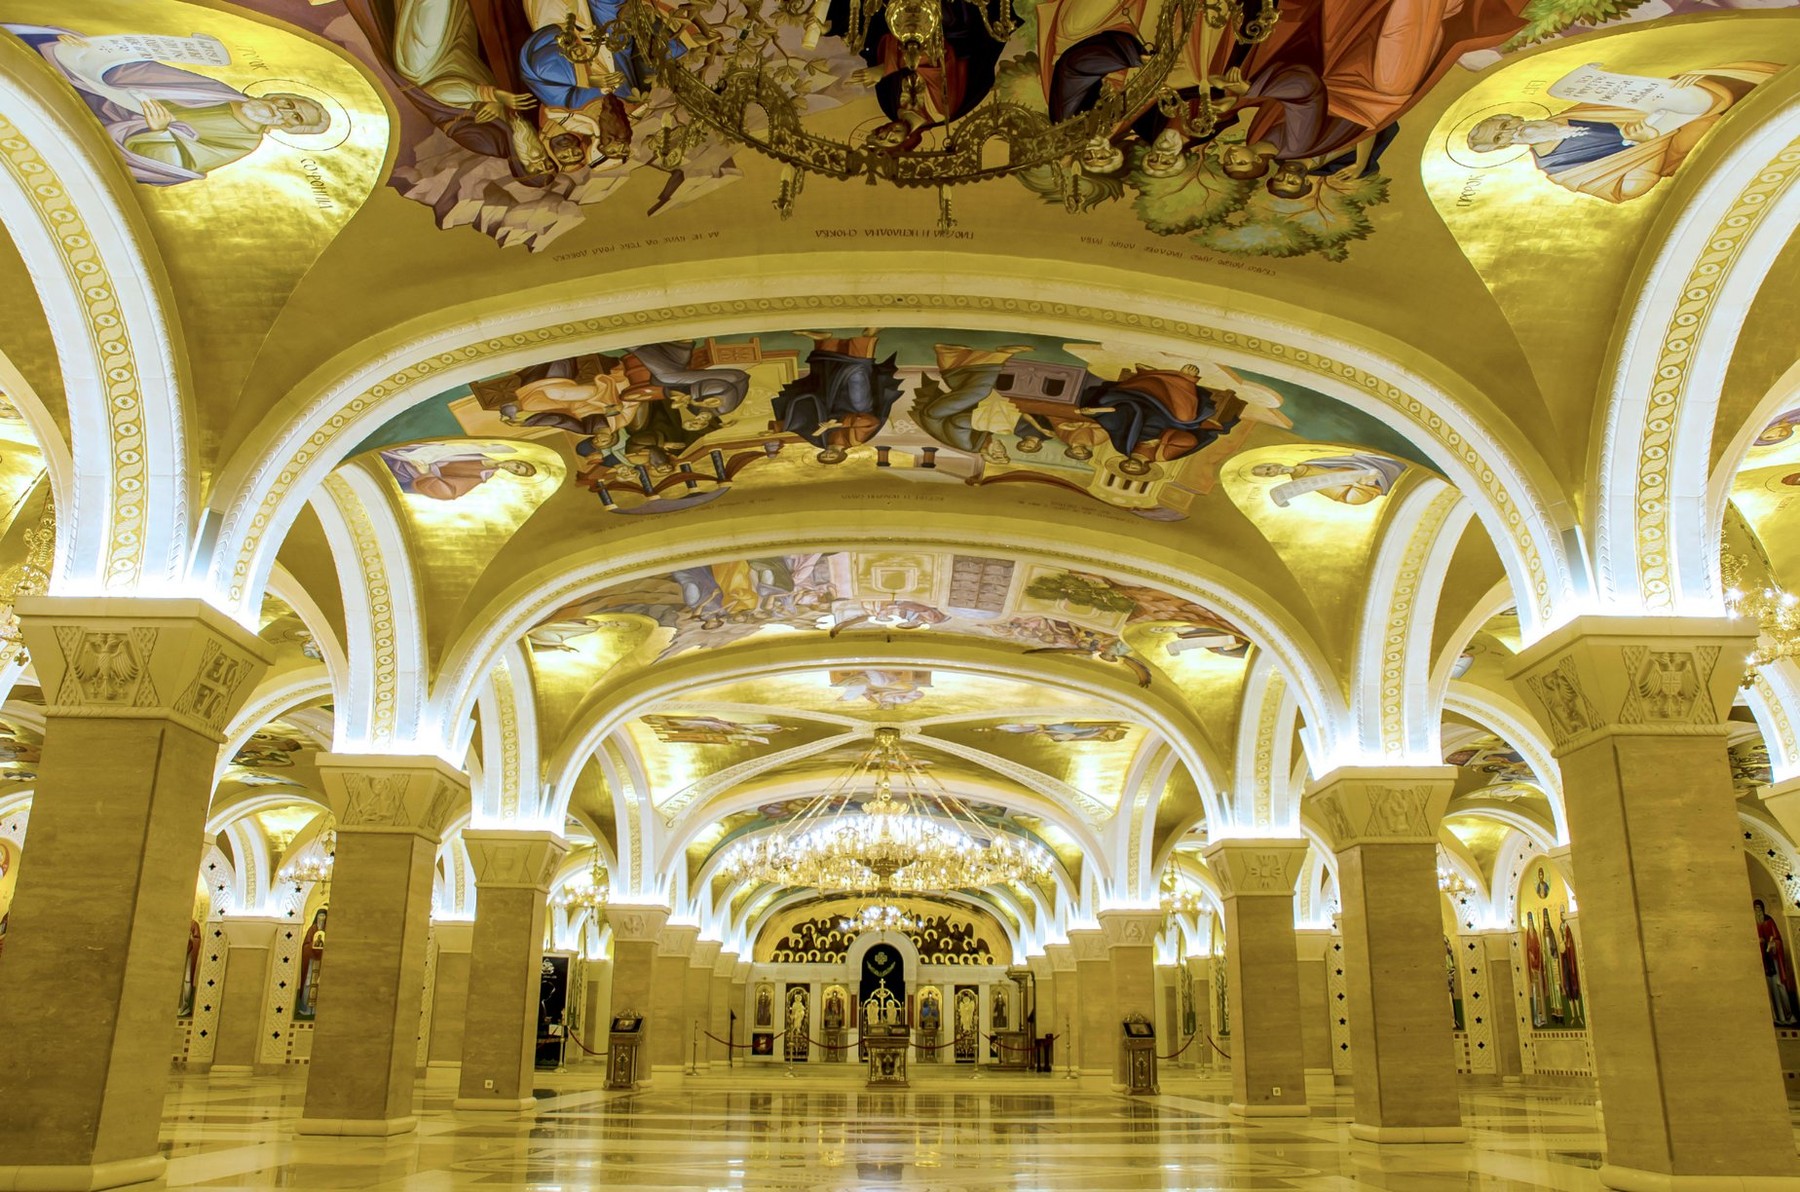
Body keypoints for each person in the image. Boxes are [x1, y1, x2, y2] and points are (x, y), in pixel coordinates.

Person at [7, 27, 329, 185]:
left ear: (287, 128)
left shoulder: (241, 142)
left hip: (104, 133)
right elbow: (135, 71)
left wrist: (158, 132)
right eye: (289, 103)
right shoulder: (218, 90)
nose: (283, 111)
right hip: (79, 93)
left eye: (293, 117)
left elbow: (178, 166)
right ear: (276, 95)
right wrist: (83, 51)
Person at [1466, 63, 1781, 203]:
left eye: (1506, 124)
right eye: (1501, 138)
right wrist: (1645, 146)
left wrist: (1673, 88)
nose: (1511, 132)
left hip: (1671, 117)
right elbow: (1626, 191)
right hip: (1669, 149)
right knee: (1706, 121)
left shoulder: (1575, 114)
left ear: (1514, 115)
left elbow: (1630, 103)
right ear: (1500, 149)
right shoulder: (1560, 169)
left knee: (1713, 97)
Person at [1078, 363, 1247, 475]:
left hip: (1140, 413)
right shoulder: (1162, 456)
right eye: (1133, 469)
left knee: (1106, 403)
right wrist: (1161, 441)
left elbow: (1116, 427)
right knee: (1185, 416)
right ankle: (1184, 379)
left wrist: (1096, 413)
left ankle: (1148, 375)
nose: (1130, 466)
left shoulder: (1123, 448)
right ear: (1144, 467)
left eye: (1126, 466)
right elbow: (1189, 441)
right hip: (1168, 420)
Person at [772, 332, 903, 463]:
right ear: (841, 455)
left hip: (831, 403)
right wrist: (840, 424)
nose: (828, 454)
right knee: (857, 373)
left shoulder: (819, 440)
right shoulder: (854, 441)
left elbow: (802, 425)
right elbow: (872, 422)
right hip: (856, 406)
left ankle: (825, 341)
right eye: (831, 457)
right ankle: (866, 338)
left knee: (826, 372)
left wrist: (778, 427)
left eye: (824, 456)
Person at [379, 444, 539, 501]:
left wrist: (426, 473)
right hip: (421, 455)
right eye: (518, 465)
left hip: (416, 470)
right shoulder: (481, 453)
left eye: (517, 471)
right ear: (516, 460)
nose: (514, 467)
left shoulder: (482, 476)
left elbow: (450, 493)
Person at [1250, 453, 1405, 506]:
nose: (1272, 470)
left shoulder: (1305, 463)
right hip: (1368, 480)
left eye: (1269, 467)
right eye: (1269, 473)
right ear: (1272, 477)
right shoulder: (1300, 481)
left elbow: (1338, 461)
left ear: (1273, 462)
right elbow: (1340, 495)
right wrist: (1362, 484)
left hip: (1364, 465)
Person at [1756, 899, 1798, 1025]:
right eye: (1755, 909)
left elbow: (1778, 939)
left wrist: (1773, 944)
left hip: (1773, 961)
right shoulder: (1752, 924)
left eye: (1759, 908)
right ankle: (1776, 1017)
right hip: (1763, 963)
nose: (1757, 911)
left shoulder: (1769, 921)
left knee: (1779, 986)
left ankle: (1788, 1016)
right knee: (1769, 990)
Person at [296, 908, 327, 1021]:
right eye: (320, 916)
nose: (322, 918)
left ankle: (316, 1010)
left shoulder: (327, 930)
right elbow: (306, 945)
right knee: (309, 983)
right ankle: (306, 1009)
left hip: (322, 962)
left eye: (324, 916)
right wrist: (312, 947)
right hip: (311, 962)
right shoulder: (312, 929)